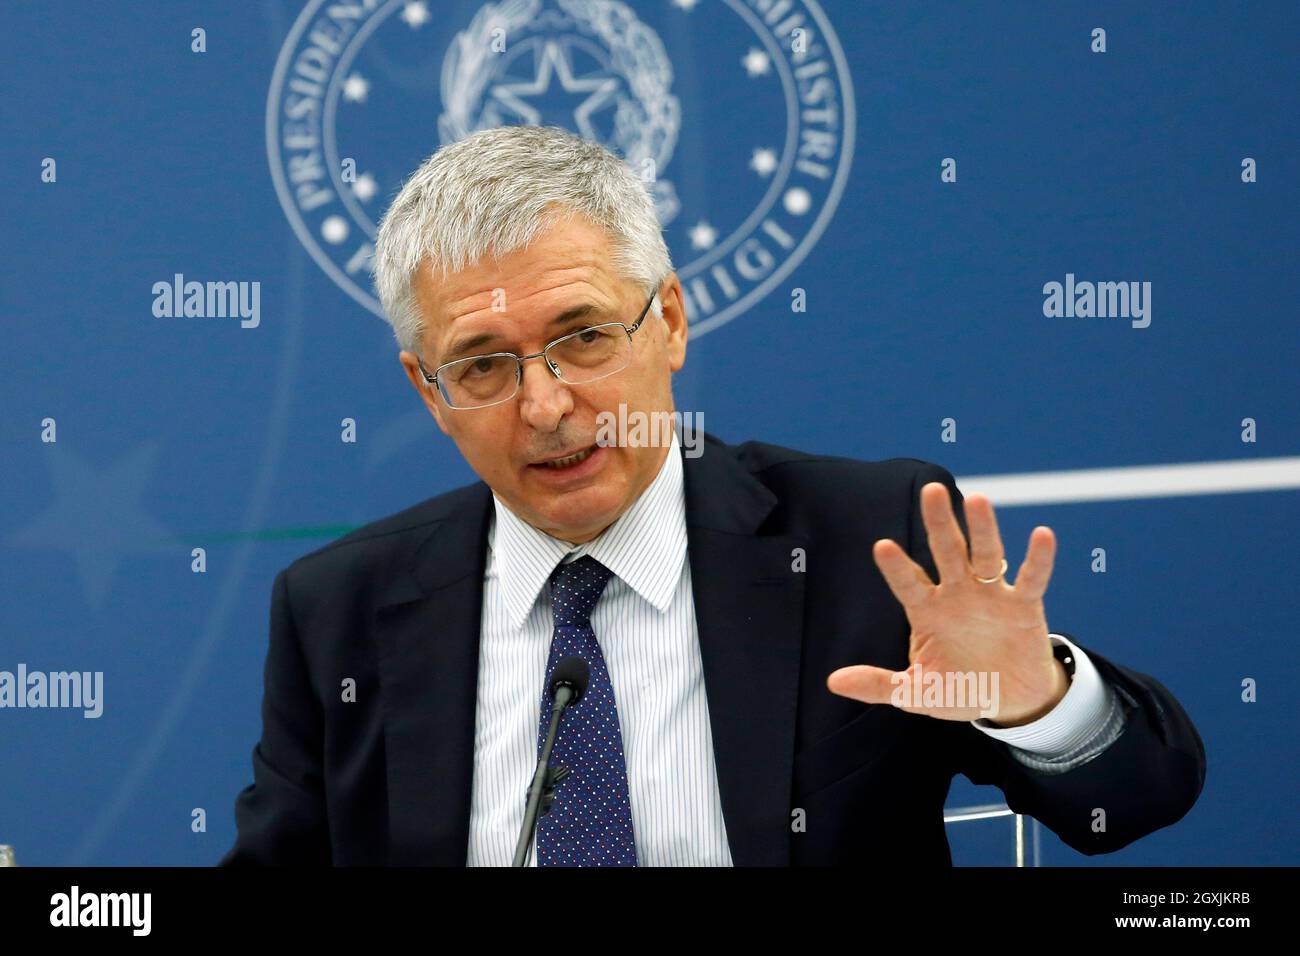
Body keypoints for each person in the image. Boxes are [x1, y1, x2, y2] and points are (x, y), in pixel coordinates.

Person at [221, 125, 1204, 866]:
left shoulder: (868, 540)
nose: (547, 404)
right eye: (481, 365)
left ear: (671, 322)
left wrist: (1033, 701)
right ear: (424, 390)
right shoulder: (341, 607)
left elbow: (1138, 797)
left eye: (585, 335)